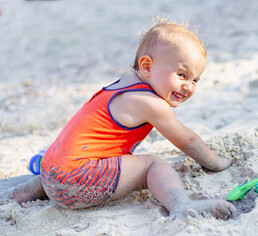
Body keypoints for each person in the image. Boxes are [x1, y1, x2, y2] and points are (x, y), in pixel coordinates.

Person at [10, 19, 236, 220]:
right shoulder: (150, 103)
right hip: (75, 184)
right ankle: (181, 205)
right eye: (181, 75)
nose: (188, 86)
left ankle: (23, 193)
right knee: (153, 165)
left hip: (50, 173)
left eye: (196, 79)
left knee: (76, 161)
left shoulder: (125, 84)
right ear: (147, 66)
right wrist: (215, 163)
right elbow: (187, 140)